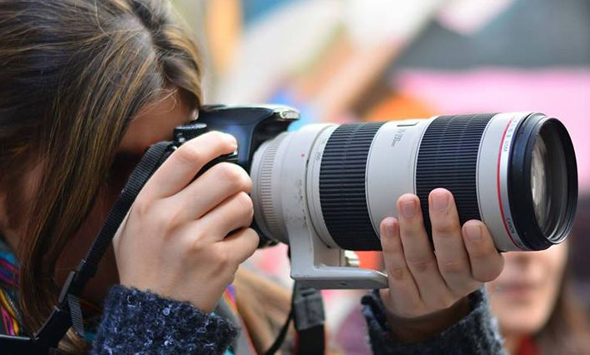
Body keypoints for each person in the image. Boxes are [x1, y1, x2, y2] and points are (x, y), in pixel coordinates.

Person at [0, 0, 506, 354]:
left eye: (177, 154)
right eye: (116, 168)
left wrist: (431, 328)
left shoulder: (260, 318)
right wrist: (157, 328)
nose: (162, 194)